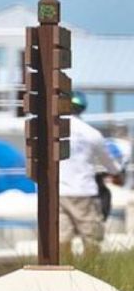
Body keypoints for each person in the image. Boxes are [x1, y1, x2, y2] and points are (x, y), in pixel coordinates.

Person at [59, 90, 122, 257]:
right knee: (92, 239)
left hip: (58, 192)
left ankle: (64, 272)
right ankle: (90, 272)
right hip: (83, 191)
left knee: (62, 240)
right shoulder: (92, 133)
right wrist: (117, 174)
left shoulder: (54, 130)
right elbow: (111, 165)